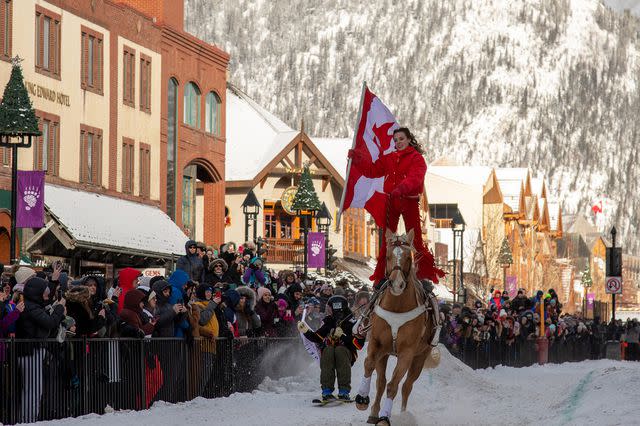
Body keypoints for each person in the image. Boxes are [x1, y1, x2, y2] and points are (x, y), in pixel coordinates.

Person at [348, 127, 444, 286]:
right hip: (392, 201)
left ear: (408, 139)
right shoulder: (389, 158)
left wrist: (401, 188)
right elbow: (372, 170)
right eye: (396, 140)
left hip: (408, 200)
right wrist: (357, 159)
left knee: (416, 239)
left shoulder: (417, 158)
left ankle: (423, 275)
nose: (398, 142)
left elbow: (416, 178)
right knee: (387, 239)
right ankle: (382, 275)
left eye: (401, 139)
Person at [298, 295, 365, 402]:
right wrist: (306, 331)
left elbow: (359, 344)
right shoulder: (329, 321)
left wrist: (342, 336)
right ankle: (327, 391)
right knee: (328, 350)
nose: (328, 310)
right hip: (330, 352)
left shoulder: (352, 322)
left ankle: (344, 391)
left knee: (340, 350)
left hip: (347, 352)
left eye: (330, 308)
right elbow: (318, 337)